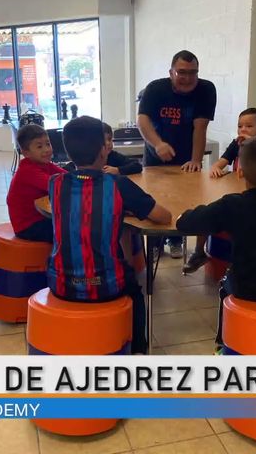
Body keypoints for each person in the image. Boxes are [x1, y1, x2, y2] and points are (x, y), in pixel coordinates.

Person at [48, 116, 172, 355]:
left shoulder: (55, 183)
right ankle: (138, 350)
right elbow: (163, 216)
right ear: (104, 150)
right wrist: (125, 206)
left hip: (60, 283)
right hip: (105, 285)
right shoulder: (118, 185)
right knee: (136, 292)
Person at [176, 137, 256, 353]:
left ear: (240, 172)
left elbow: (190, 222)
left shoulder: (233, 204)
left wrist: (183, 216)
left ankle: (222, 344)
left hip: (250, 287)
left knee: (225, 284)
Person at [137, 50, 217, 259]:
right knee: (155, 200)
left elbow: (200, 127)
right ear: (171, 72)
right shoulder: (155, 89)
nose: (188, 78)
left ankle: (175, 240)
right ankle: (155, 243)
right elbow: (142, 121)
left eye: (193, 72)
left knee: (184, 201)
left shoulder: (206, 89)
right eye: (182, 72)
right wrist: (158, 144)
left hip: (186, 160)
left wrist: (196, 160)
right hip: (155, 158)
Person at [183, 107, 256, 273]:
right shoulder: (236, 143)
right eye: (240, 126)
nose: (243, 130)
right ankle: (199, 252)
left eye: (249, 126)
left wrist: (249, 145)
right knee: (208, 208)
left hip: (255, 198)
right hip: (235, 194)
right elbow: (220, 163)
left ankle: (240, 261)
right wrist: (216, 168)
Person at [6, 124, 66, 243]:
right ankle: (58, 255)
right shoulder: (27, 171)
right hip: (28, 226)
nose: (46, 150)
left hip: (40, 217)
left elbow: (67, 176)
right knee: (70, 231)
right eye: (39, 146)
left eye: (48, 144)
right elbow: (56, 185)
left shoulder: (46, 164)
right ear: (26, 153)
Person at [64, 122, 143, 175]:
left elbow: (137, 166)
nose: (108, 143)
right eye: (104, 140)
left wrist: (118, 170)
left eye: (110, 139)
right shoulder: (88, 157)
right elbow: (66, 169)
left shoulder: (114, 156)